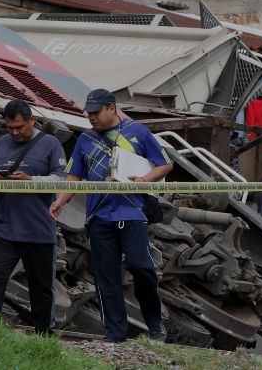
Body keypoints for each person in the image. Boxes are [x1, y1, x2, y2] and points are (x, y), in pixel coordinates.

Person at [49, 88, 173, 343]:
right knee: (105, 275)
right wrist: (60, 200)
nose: (91, 117)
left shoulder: (138, 131)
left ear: (112, 108)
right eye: (89, 113)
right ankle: (115, 333)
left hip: (133, 213)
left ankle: (155, 324)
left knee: (141, 266)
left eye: (96, 112)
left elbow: (165, 163)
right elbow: (74, 176)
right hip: (98, 217)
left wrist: (145, 179)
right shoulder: (85, 139)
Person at [0, 99, 67, 334]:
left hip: (39, 231)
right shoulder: (2, 143)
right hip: (4, 229)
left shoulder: (50, 144)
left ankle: (43, 337)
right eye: (10, 128)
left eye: (19, 127)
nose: (15, 133)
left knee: (41, 288)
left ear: (32, 120)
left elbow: (62, 179)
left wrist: (31, 180)